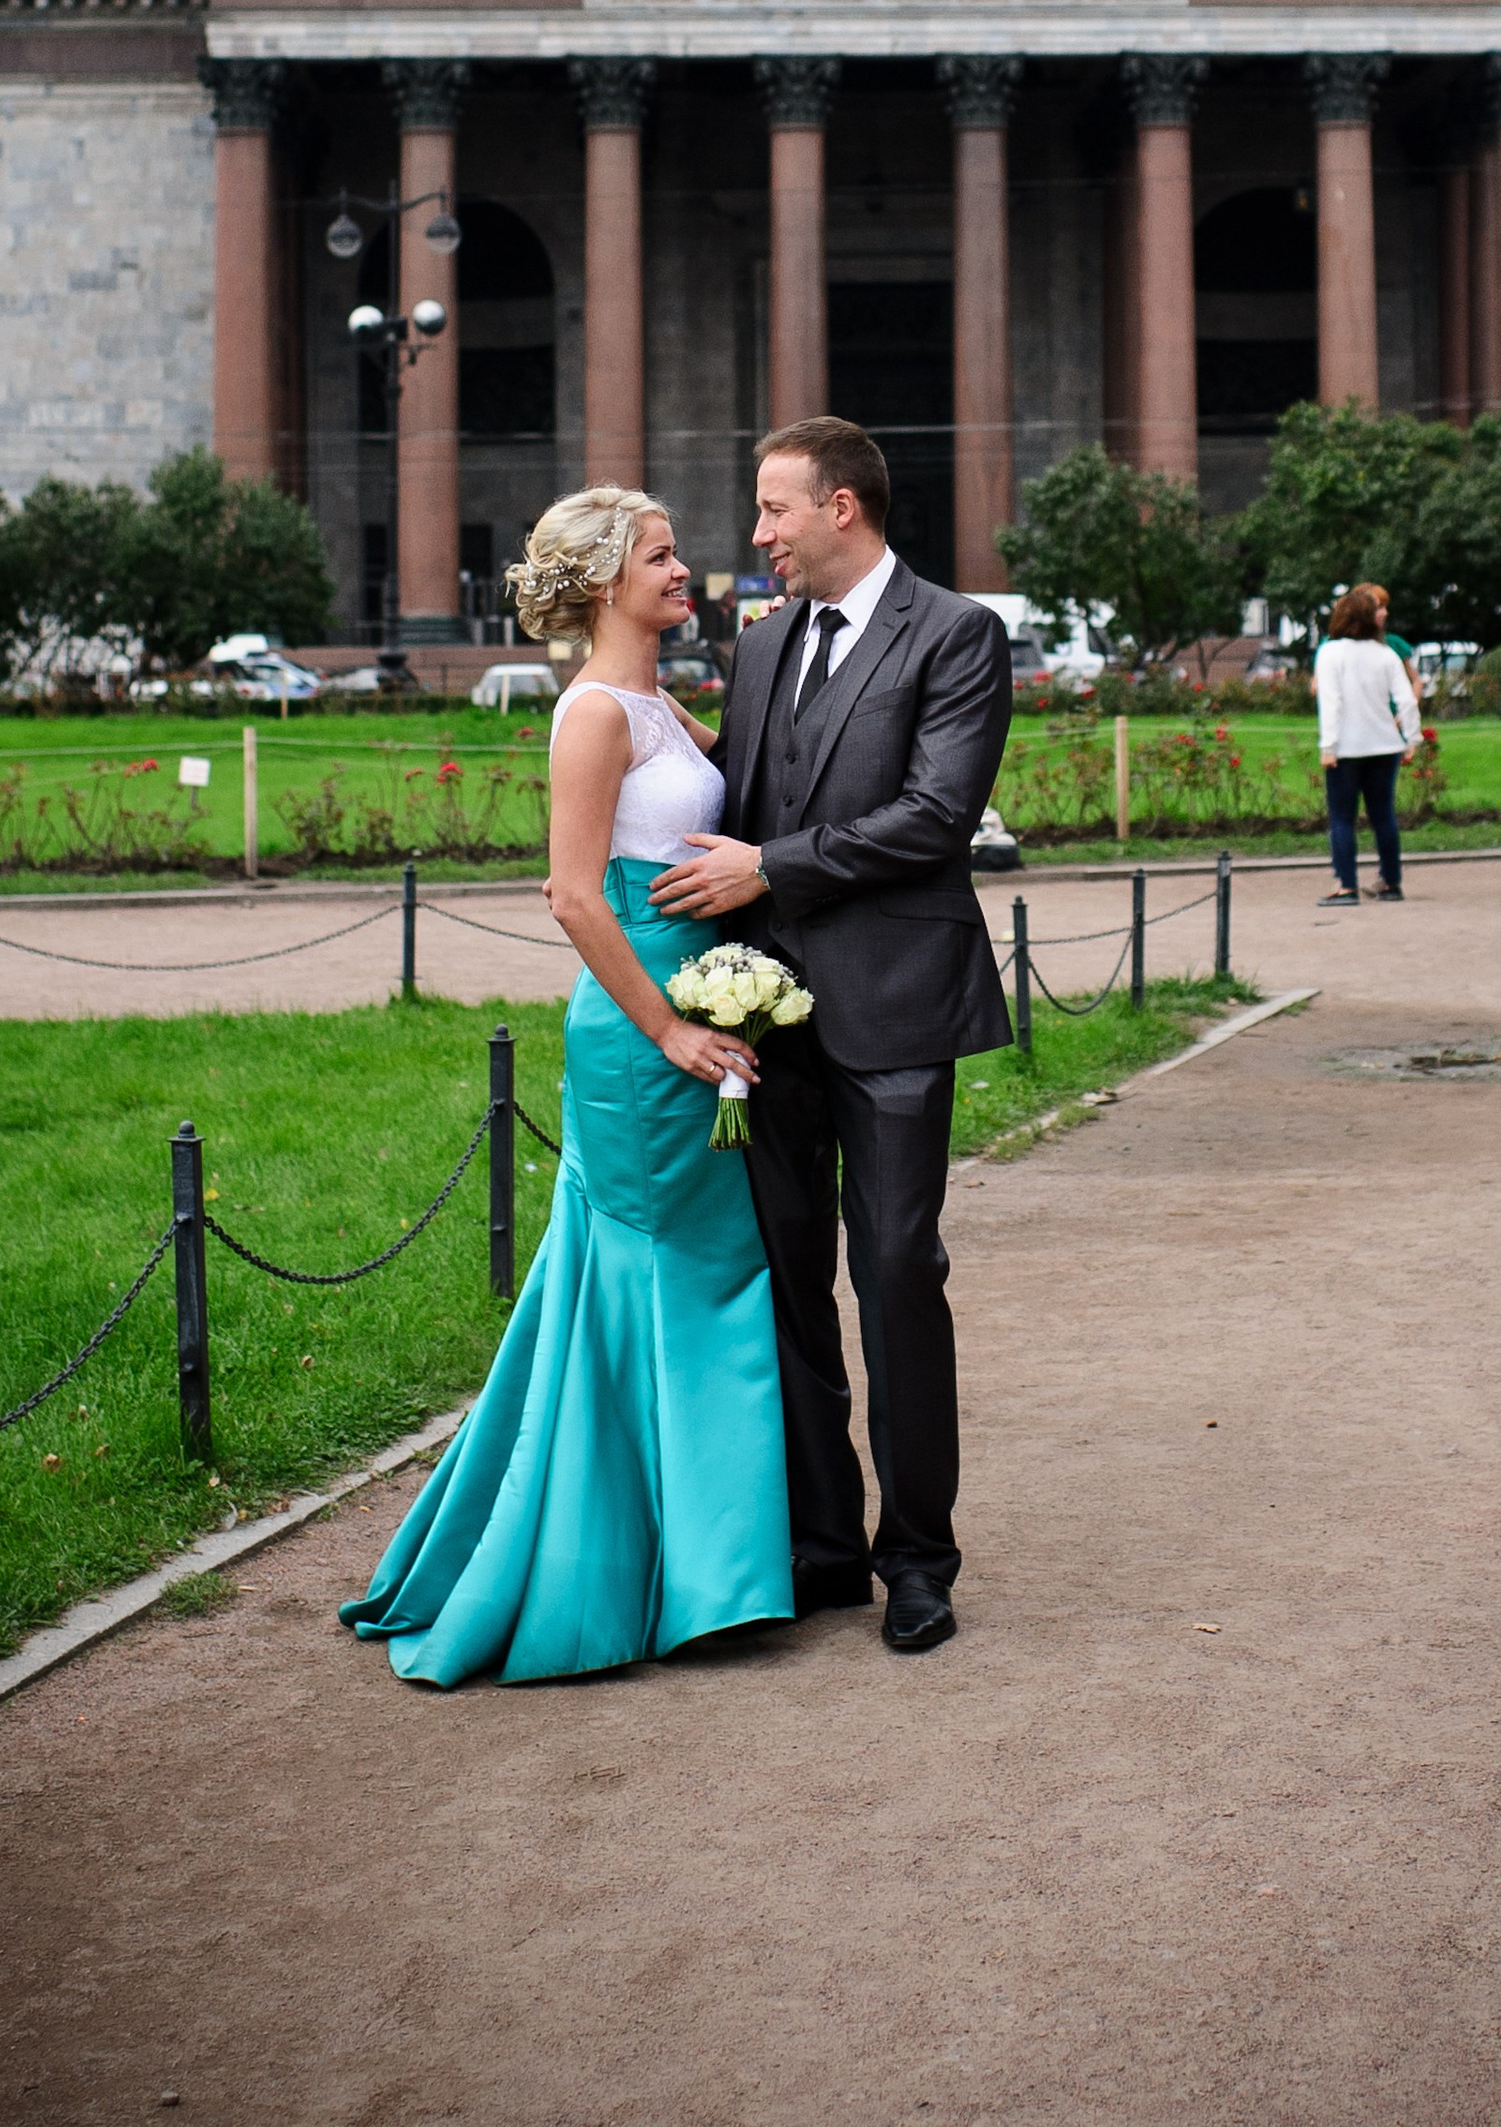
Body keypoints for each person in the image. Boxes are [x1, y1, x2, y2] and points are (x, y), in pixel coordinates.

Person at [341, 488, 791, 1684]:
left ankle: (707, 1572)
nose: (686, 569)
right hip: (644, 1030)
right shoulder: (593, 713)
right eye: (663, 555)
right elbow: (577, 895)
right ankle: (661, 1577)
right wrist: (671, 1035)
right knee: (666, 1277)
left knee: (694, 1276)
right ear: (605, 584)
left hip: (705, 998)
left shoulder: (657, 700)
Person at [650, 416, 1015, 1658]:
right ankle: (819, 1545)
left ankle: (919, 1556)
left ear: (842, 508)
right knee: (789, 1285)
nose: (756, 536)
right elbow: (740, 798)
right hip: (762, 1014)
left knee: (898, 1270)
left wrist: (770, 867)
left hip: (900, 1004)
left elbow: (934, 817)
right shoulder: (759, 650)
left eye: (773, 511)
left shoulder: (957, 635)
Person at [1314, 585, 1422, 906]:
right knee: (1384, 817)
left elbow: (1330, 702)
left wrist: (1328, 745)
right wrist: (1412, 738)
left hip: (1346, 749)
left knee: (1342, 818)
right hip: (1384, 746)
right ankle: (1391, 883)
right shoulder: (1386, 654)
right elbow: (1405, 701)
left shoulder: (1330, 653)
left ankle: (1346, 886)